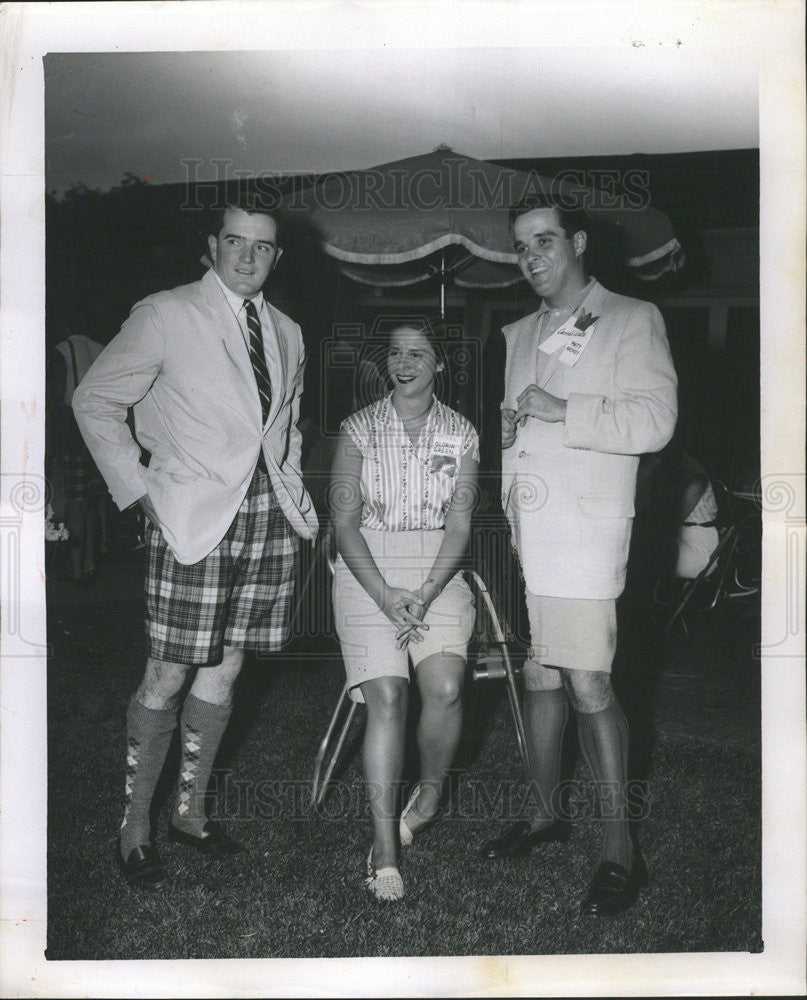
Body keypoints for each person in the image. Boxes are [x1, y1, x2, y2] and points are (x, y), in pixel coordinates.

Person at [72, 198, 318, 891]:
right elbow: (95, 400)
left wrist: (297, 504)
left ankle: (189, 814)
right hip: (190, 520)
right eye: (235, 241)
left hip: (267, 518)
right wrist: (141, 489)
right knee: (167, 673)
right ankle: (134, 827)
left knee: (226, 669)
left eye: (262, 247)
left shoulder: (289, 332)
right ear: (212, 245)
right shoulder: (164, 313)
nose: (247, 257)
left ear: (277, 256)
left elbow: (286, 430)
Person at [478, 195, 678, 917]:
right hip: (529, 533)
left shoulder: (629, 317)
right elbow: (515, 431)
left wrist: (566, 412)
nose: (531, 256)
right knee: (537, 673)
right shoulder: (515, 333)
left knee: (588, 685)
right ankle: (543, 815)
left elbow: (655, 421)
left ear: (579, 243)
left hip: (585, 534)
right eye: (520, 246)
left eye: (544, 241)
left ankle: (621, 853)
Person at [330, 320, 479, 901]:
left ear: (439, 363)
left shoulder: (461, 432)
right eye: (395, 352)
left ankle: (431, 794)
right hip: (368, 562)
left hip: (438, 562)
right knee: (388, 695)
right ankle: (385, 846)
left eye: (419, 353)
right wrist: (385, 594)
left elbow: (461, 522)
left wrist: (429, 586)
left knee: (443, 686)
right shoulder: (359, 429)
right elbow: (343, 523)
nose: (405, 362)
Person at [52, 333, 108, 584]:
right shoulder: (100, 347)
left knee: (76, 501)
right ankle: (90, 563)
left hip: (73, 429)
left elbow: (57, 395)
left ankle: (75, 569)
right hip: (99, 427)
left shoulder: (63, 349)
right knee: (91, 502)